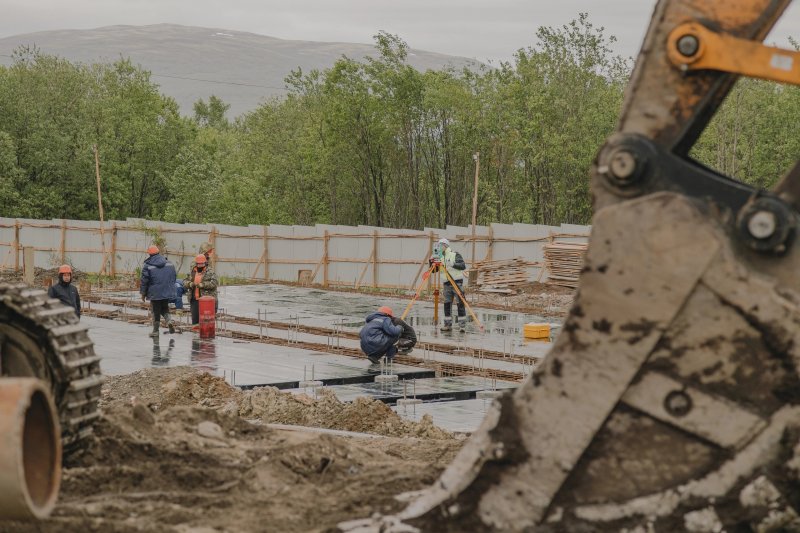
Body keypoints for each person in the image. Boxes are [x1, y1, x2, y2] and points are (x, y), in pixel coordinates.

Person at [140, 245, 177, 337]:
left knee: (155, 311)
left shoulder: (147, 266)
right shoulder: (169, 263)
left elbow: (144, 281)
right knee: (164, 308)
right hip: (166, 291)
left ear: (149, 254)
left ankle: (155, 331)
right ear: (158, 252)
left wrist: (143, 293)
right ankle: (169, 321)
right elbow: (174, 277)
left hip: (155, 292)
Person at [438, 238, 467, 332]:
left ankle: (462, 326)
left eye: (440, 245)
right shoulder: (440, 257)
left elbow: (463, 266)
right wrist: (432, 263)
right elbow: (434, 271)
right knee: (447, 304)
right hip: (446, 284)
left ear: (445, 246)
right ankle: (447, 325)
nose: (438, 247)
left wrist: (453, 264)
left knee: (460, 304)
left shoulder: (455, 254)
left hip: (456, 283)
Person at [184, 254, 218, 326]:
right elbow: (184, 281)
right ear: (196, 264)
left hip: (206, 301)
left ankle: (205, 334)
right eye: (198, 264)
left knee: (205, 321)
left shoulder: (210, 272)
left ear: (205, 263)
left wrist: (203, 285)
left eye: (202, 263)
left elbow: (214, 283)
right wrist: (190, 284)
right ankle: (195, 333)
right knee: (195, 321)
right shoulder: (192, 272)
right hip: (194, 300)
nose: (200, 265)